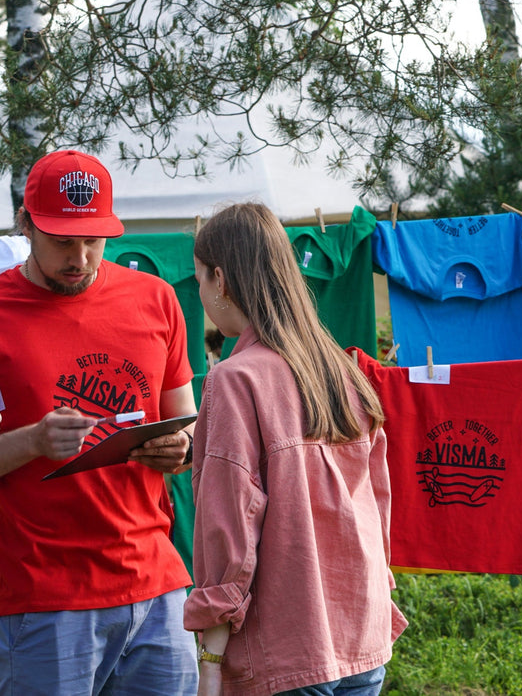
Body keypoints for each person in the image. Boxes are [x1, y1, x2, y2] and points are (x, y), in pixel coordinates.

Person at [0, 149, 199, 696]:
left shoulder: (156, 299)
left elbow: (190, 424)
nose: (79, 258)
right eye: (62, 240)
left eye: (93, 239)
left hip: (156, 586)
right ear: (25, 224)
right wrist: (34, 440)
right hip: (39, 598)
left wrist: (182, 447)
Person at [184, 202, 408, 696]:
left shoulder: (234, 378)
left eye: (199, 280)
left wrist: (210, 660)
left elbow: (229, 529)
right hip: (362, 633)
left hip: (283, 650)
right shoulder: (342, 370)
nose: (201, 294)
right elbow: (378, 505)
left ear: (220, 279)